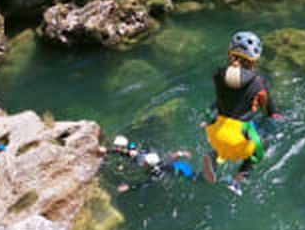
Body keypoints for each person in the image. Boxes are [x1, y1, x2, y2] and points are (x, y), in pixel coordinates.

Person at [203, 31, 280, 195]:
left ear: (230, 53)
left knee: (223, 135)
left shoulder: (217, 74)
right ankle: (238, 180)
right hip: (238, 137)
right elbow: (269, 111)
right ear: (254, 59)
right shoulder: (258, 82)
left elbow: (220, 98)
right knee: (264, 141)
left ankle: (213, 156)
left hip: (215, 131)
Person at [111, 135, 196, 192]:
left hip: (182, 170)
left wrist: (129, 187)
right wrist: (181, 153)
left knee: (194, 178)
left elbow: (145, 184)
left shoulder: (157, 172)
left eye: (145, 162)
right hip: (177, 165)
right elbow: (171, 157)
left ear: (149, 165)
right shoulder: (146, 157)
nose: (143, 162)